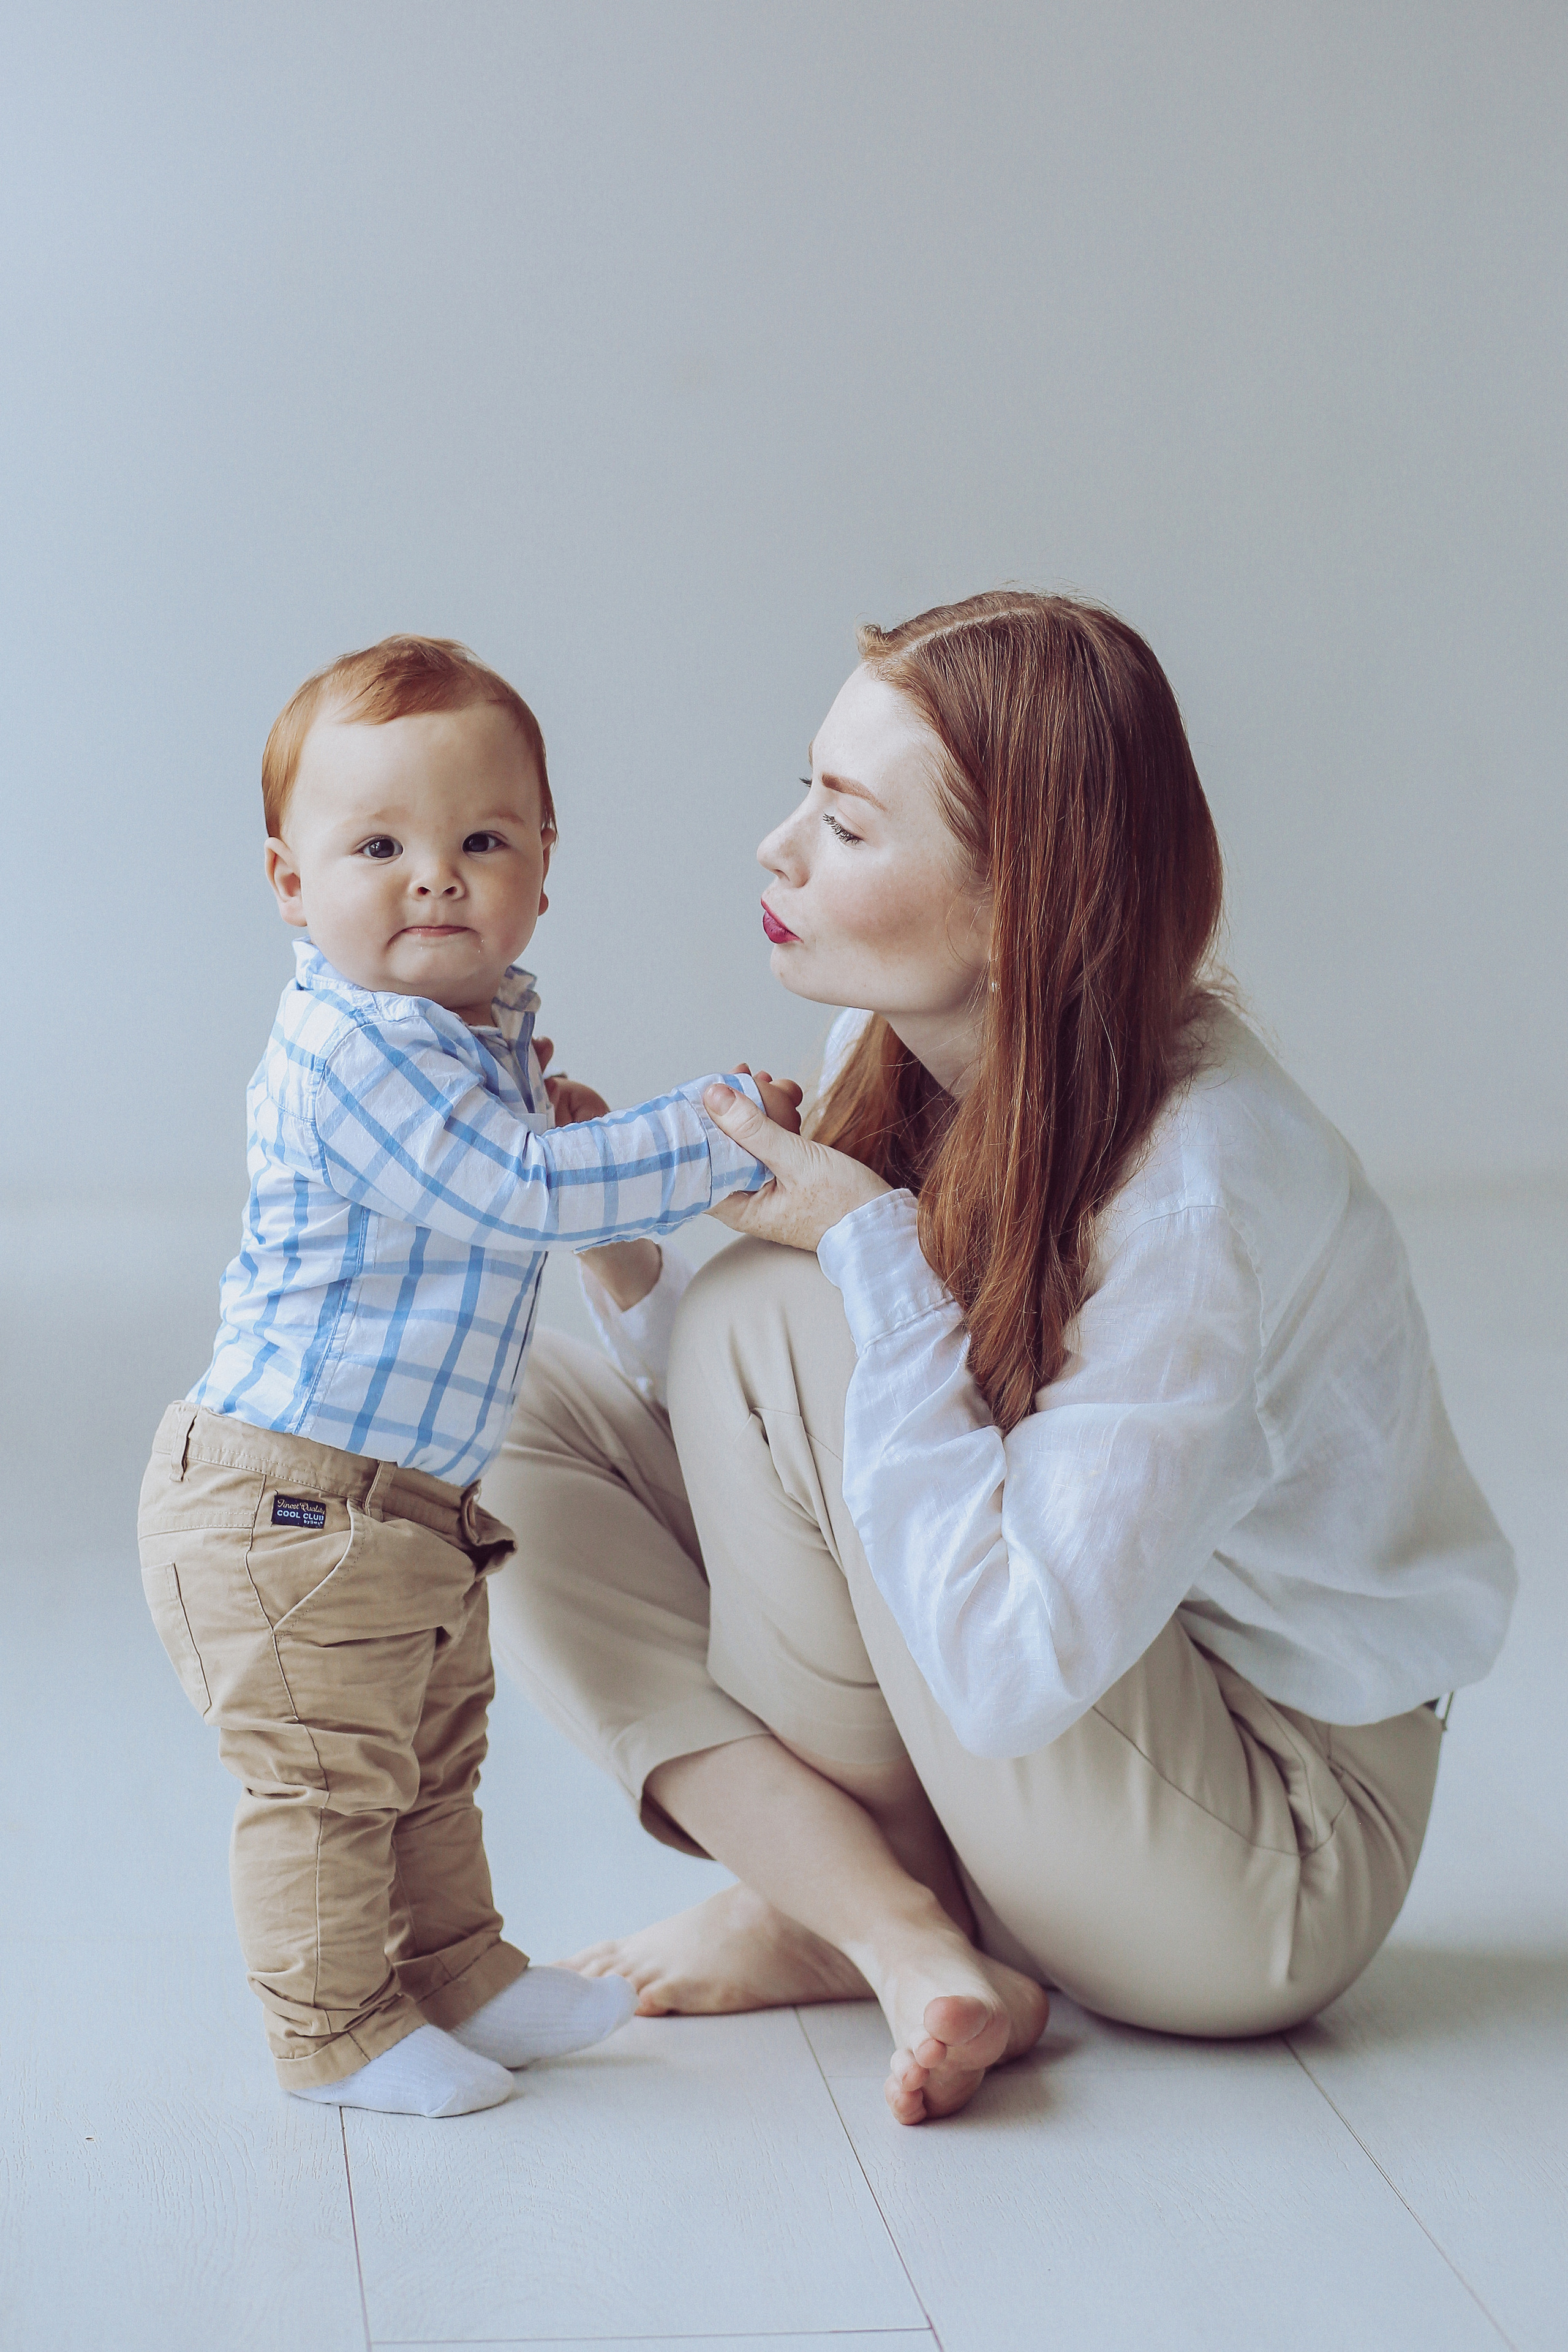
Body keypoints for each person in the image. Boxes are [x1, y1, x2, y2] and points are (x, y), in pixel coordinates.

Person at [484, 590, 1517, 2125]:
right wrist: (613, 1241)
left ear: (1011, 905)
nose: (776, 851)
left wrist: (863, 1251)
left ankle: (863, 1902)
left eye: (843, 825)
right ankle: (872, 1913)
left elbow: (1004, 1659)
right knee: (479, 1416)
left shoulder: (1206, 1192)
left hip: (1254, 1849)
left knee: (782, 1313)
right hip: (1059, 1738)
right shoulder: (901, 1044)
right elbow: (789, 1467)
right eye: (803, 796)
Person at [135, 635, 801, 2118]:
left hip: (400, 1511)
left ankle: (462, 1978)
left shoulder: (464, 1031)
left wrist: (567, 1132)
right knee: (328, 1787)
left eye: (480, 839)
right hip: (284, 1511)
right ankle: (333, 2032)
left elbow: (526, 1166)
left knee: (435, 1760)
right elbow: (511, 1192)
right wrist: (709, 1132)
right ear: (289, 885)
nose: (434, 876)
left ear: (543, 867)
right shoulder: (354, 1048)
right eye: (377, 845)